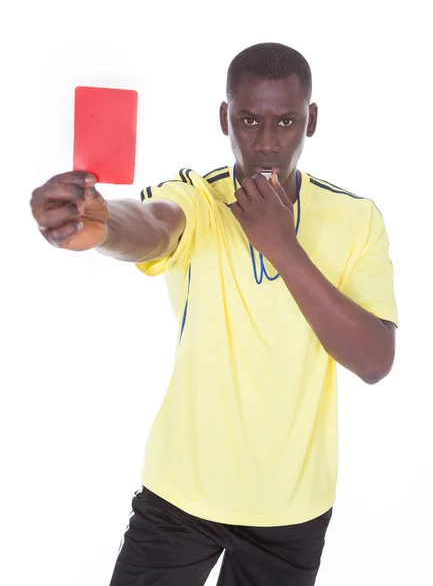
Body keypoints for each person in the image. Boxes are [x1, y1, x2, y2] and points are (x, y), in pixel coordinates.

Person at [30, 42, 398, 586]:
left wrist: (283, 246)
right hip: (181, 495)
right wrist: (103, 225)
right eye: (248, 119)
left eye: (286, 121)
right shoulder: (199, 197)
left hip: (292, 508)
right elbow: (155, 223)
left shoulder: (356, 218)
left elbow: (374, 361)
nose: (267, 142)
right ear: (225, 117)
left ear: (311, 121)